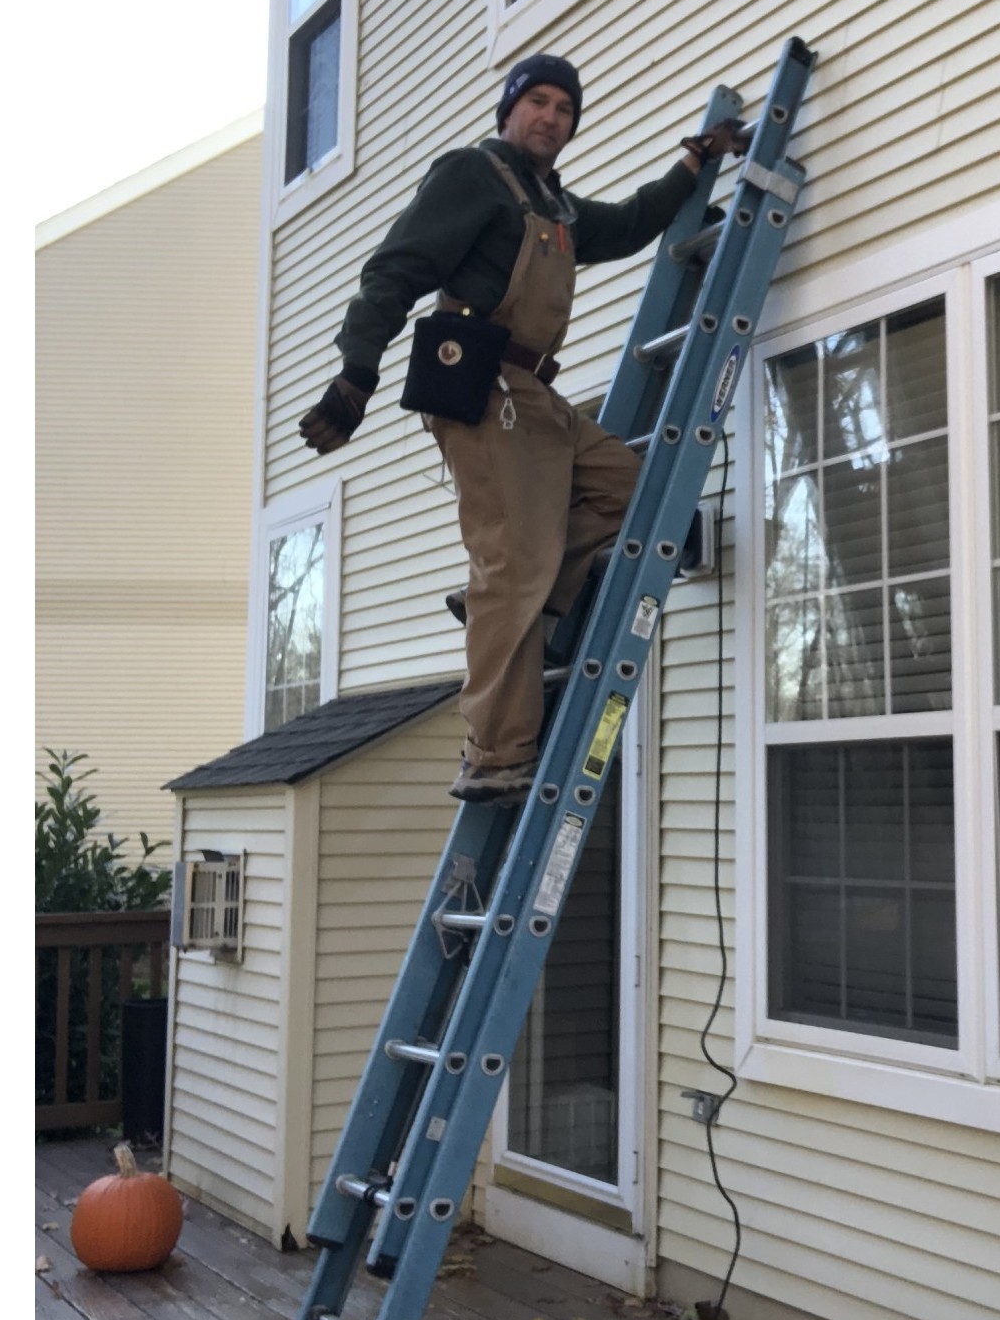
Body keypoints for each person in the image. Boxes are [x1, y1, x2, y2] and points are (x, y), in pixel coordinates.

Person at [298, 55, 742, 802]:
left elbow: (629, 224)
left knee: (635, 493)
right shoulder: (472, 175)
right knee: (516, 566)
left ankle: (497, 602)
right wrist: (356, 376)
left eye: (564, 109)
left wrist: (692, 162)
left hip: (535, 394)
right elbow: (393, 272)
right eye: (535, 101)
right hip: (484, 388)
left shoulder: (554, 205)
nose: (549, 117)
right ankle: (494, 753)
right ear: (509, 111)